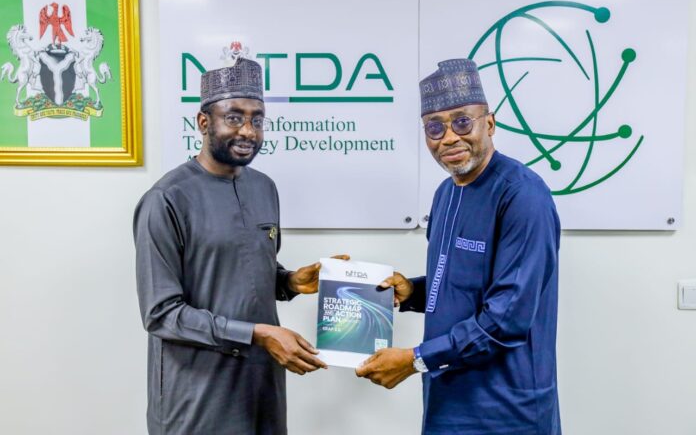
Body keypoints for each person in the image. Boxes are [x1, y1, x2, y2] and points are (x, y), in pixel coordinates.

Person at [134, 55, 345, 435]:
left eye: (257, 120)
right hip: (196, 396)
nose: (248, 131)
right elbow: (161, 314)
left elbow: (242, 270)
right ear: (203, 122)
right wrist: (257, 334)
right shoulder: (167, 199)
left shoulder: (263, 188)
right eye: (234, 118)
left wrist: (290, 281)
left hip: (261, 388)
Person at [356, 58, 561, 434]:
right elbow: (459, 285)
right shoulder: (446, 193)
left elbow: (505, 319)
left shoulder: (522, 195)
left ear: (490, 123)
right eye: (435, 127)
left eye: (462, 122)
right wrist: (412, 291)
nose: (449, 138)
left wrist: (415, 359)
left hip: (506, 412)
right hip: (445, 403)